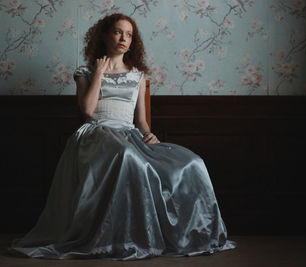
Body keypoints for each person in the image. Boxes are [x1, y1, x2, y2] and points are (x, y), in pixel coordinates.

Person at [8, 13, 237, 260]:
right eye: (118, 32)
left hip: (129, 135)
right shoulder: (85, 71)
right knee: (127, 155)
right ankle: (117, 238)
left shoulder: (137, 76)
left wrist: (149, 135)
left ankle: (188, 235)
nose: (123, 38)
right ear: (105, 36)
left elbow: (141, 121)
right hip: (96, 133)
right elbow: (87, 110)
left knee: (192, 162)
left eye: (129, 34)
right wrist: (99, 72)